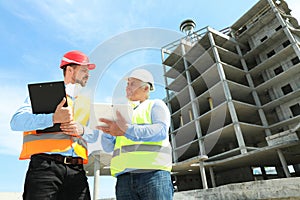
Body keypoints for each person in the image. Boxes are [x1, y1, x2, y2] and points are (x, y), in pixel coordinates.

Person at [10, 50, 99, 200]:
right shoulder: (44, 94)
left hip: (77, 171)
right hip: (45, 169)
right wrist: (53, 118)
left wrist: (82, 130)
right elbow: (17, 121)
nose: (88, 74)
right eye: (84, 70)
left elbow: (97, 136)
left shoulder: (85, 103)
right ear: (70, 69)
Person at [98, 69, 174, 200]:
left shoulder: (156, 105)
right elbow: (108, 147)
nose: (127, 87)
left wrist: (126, 130)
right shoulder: (122, 113)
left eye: (132, 84)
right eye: (127, 84)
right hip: (124, 179)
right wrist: (108, 132)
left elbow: (160, 131)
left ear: (145, 88)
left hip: (153, 174)